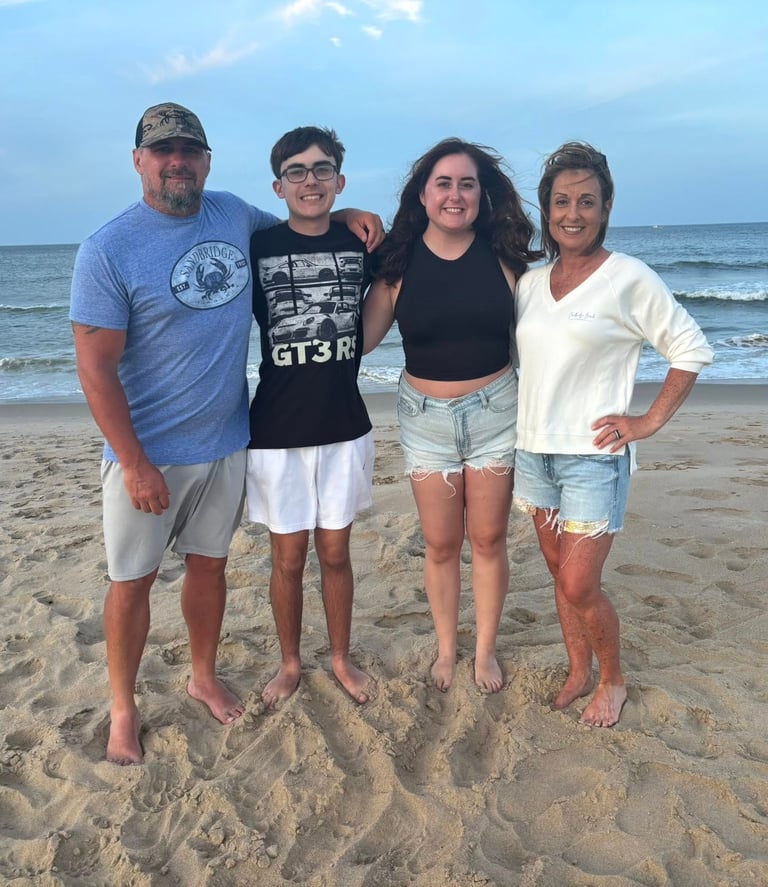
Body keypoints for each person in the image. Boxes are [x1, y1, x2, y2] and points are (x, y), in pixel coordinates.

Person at [69, 103, 383, 765]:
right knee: (132, 580)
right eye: (163, 151)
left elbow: (302, 221)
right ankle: (123, 708)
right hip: (148, 452)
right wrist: (132, 460)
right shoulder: (108, 248)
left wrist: (352, 215)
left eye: (189, 151)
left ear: (207, 162)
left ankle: (203, 676)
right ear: (139, 161)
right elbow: (94, 368)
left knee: (209, 568)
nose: (176, 162)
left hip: (229, 440)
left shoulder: (234, 215)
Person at [513, 141, 714, 727]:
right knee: (559, 574)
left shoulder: (628, 277)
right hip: (534, 452)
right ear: (547, 209)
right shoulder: (530, 283)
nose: (573, 213)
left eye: (587, 201)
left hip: (594, 458)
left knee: (580, 583)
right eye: (561, 201)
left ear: (605, 208)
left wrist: (647, 421)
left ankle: (613, 679)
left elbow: (690, 348)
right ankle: (579, 669)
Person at [363, 138, 541, 693]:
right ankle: (446, 649)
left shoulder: (507, 260)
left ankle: (484, 651)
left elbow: (547, 337)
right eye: (443, 183)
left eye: (467, 184)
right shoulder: (396, 265)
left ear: (482, 195)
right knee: (441, 545)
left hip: (496, 413)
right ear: (423, 194)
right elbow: (361, 341)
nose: (455, 195)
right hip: (425, 421)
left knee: (487, 540)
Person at [246, 126, 374, 707]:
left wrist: (355, 215)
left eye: (322, 169)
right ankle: (291, 662)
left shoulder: (362, 243)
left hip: (344, 425)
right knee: (288, 558)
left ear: (339, 180)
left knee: (336, 553)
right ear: (279, 186)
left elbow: (412, 271)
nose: (310, 180)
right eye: (296, 171)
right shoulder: (258, 246)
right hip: (276, 429)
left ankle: (341, 658)